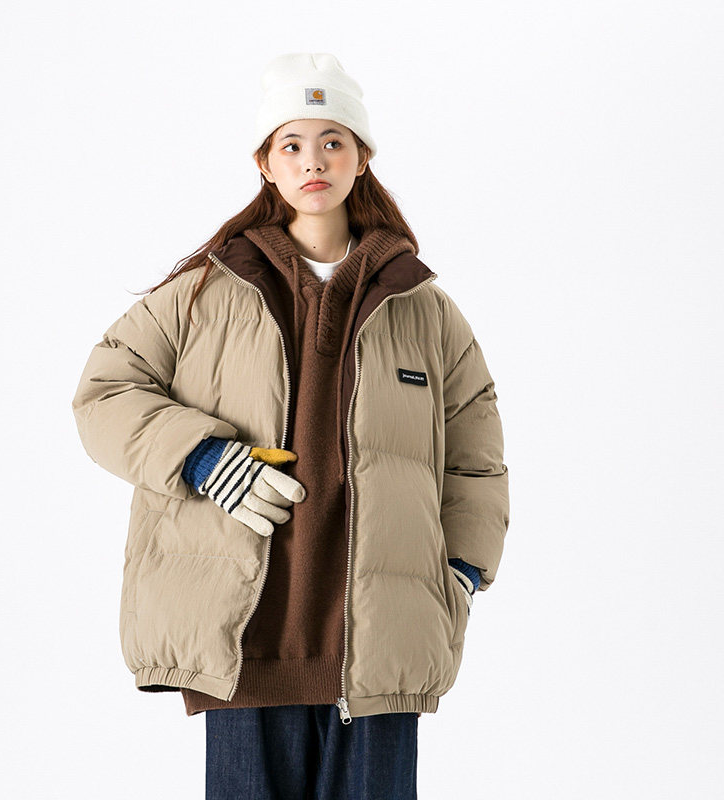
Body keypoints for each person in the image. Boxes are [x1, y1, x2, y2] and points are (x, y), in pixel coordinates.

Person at [72, 52, 510, 800]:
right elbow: (104, 392)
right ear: (265, 164)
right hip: (243, 640)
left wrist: (461, 576)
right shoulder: (203, 291)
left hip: (380, 646)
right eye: (293, 144)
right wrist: (203, 459)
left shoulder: (424, 307)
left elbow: (477, 458)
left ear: (362, 158)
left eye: (333, 141)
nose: (314, 160)